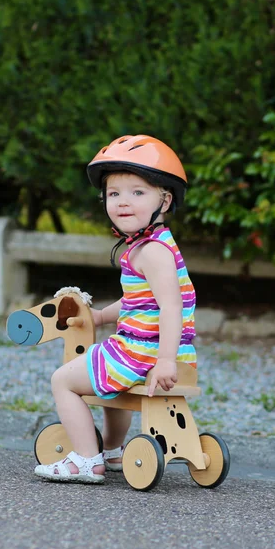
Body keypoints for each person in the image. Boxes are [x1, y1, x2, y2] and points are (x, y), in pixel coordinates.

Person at [34, 134, 197, 484]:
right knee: (105, 374)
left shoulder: (151, 252)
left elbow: (171, 307)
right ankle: (110, 450)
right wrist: (101, 317)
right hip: (152, 352)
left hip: (144, 354)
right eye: (114, 193)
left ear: (164, 200)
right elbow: (140, 301)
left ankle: (84, 460)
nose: (123, 202)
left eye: (138, 192)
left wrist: (165, 361)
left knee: (62, 380)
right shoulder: (150, 246)